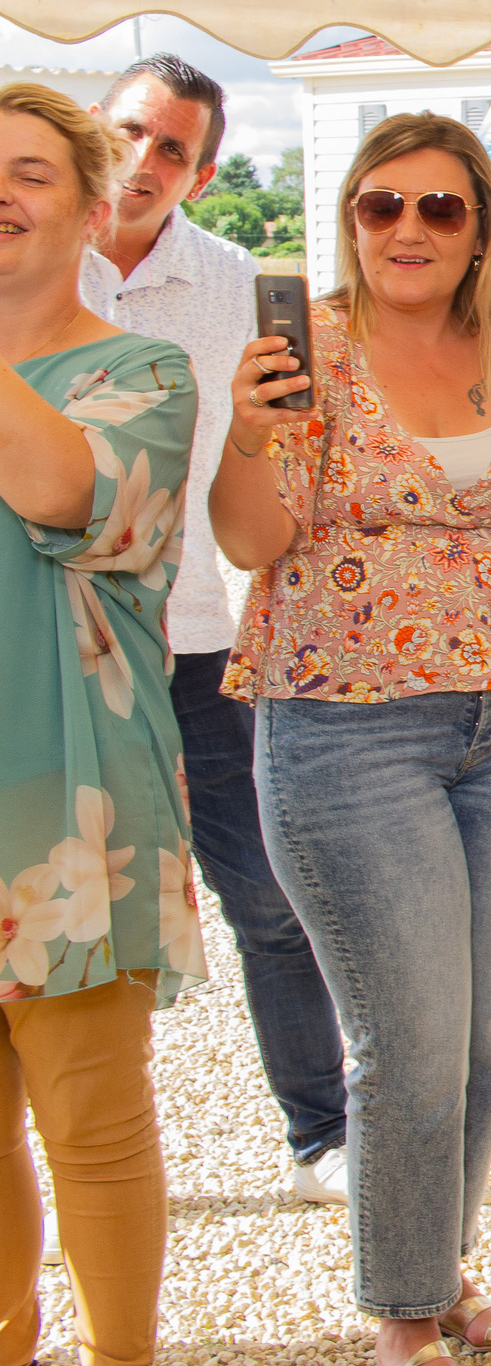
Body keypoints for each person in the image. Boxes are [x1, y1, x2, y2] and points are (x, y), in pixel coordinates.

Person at [210, 113, 491, 1366]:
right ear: (351, 221)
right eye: (382, 206)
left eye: (438, 207)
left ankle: (440, 1268)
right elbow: (248, 542)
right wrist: (251, 429)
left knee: (480, 1036)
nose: (408, 230)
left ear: (479, 224)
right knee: (409, 1038)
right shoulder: (303, 351)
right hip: (343, 727)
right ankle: (402, 1320)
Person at [79, 54, 351, 1207]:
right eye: (134, 132)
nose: (148, 162)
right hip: (51, 637)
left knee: (268, 897)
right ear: (99, 127)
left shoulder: (239, 282)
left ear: (206, 166)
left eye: (175, 148)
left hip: (195, 634)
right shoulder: (26, 258)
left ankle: (323, 1136)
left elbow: (292, 441)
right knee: (47, 904)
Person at [0, 82, 201, 1366]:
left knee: (91, 1118)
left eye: (26, 173)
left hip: (66, 788)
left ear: (88, 209)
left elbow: (68, 487)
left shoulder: (141, 368)